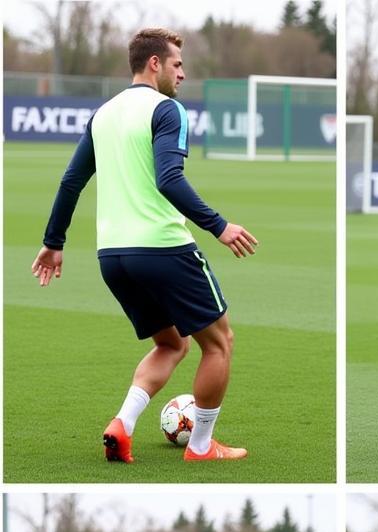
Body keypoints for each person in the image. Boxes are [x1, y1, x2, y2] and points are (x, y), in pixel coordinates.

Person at [31, 27, 257, 464]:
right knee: (219, 342)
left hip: (112, 257)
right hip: (163, 248)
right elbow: (169, 179)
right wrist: (219, 225)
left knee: (172, 344)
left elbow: (71, 181)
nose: (183, 74)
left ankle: (123, 424)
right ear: (155, 63)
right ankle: (201, 446)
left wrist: (53, 243)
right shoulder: (167, 110)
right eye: (177, 64)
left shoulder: (103, 114)